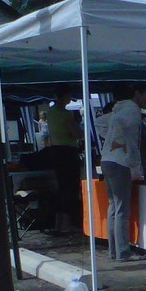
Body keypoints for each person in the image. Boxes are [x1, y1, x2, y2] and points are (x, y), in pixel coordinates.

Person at [100, 82, 146, 261]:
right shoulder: (132, 110)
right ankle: (123, 251)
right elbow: (132, 141)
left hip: (107, 159)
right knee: (122, 208)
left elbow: (100, 123)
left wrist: (112, 140)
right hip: (119, 162)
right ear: (136, 93)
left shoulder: (118, 109)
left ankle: (114, 251)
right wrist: (135, 163)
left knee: (113, 207)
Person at [47, 89, 83, 233]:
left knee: (61, 187)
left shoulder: (50, 112)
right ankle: (67, 224)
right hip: (68, 151)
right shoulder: (66, 113)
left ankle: (58, 224)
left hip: (55, 150)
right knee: (71, 188)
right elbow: (75, 133)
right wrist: (79, 131)